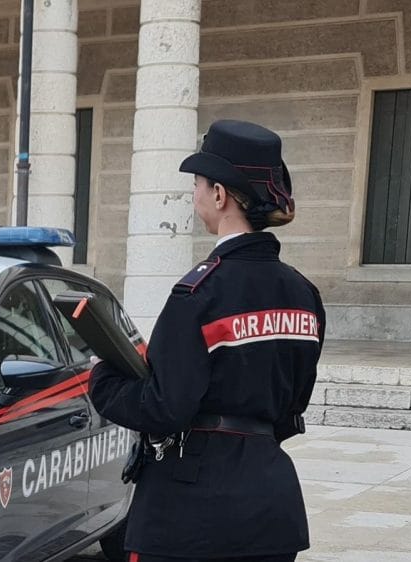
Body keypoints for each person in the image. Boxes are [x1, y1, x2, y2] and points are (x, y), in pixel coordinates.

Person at [90, 119, 326, 562]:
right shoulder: (304, 294)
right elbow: (293, 404)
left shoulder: (198, 293)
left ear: (219, 194)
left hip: (189, 511)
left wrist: (102, 377)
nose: (194, 193)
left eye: (197, 183)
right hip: (271, 505)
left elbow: (163, 408)